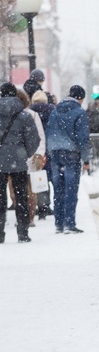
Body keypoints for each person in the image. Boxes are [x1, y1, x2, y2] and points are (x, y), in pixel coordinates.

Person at [46, 85, 90, 234]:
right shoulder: (79, 113)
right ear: (81, 98)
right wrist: (86, 159)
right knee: (70, 190)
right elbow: (83, 138)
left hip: (55, 154)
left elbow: (49, 131)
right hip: (71, 154)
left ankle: (58, 224)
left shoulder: (55, 111)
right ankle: (69, 224)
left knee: (58, 190)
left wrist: (51, 150)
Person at [0, 82, 41, 243]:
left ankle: (0, 233)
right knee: (21, 196)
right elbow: (34, 139)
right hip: (18, 161)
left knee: (0, 198)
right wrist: (25, 154)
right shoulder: (24, 115)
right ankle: (23, 233)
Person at [30, 90, 55, 219]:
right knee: (51, 178)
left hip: (37, 150)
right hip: (50, 148)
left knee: (39, 178)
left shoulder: (30, 113)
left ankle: (40, 207)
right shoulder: (52, 110)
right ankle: (47, 205)